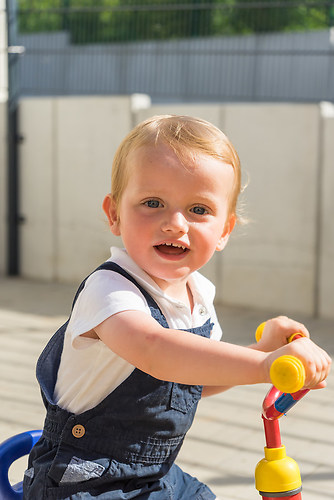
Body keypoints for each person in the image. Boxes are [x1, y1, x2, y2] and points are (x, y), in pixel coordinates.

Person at [23, 115, 331, 500]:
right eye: (153, 203)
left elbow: (191, 379)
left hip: (155, 474)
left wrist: (261, 353)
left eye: (199, 210)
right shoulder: (110, 290)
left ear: (224, 231)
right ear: (114, 213)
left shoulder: (198, 297)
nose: (175, 223)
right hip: (84, 480)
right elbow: (154, 350)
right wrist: (263, 366)